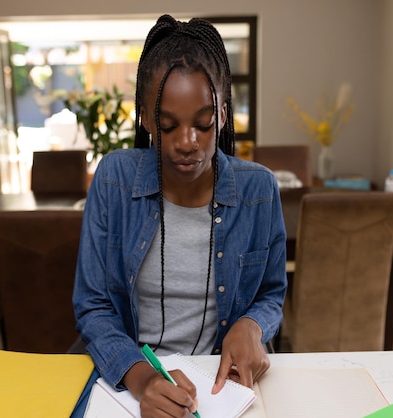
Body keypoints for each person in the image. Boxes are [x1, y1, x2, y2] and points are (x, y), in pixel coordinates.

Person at [73, 14, 287, 418]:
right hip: (130, 376)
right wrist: (143, 379)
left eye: (203, 123)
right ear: (145, 117)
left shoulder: (259, 190)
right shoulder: (114, 180)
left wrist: (252, 325)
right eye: (168, 125)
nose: (187, 143)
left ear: (224, 114)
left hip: (219, 384)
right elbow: (93, 305)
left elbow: (271, 293)